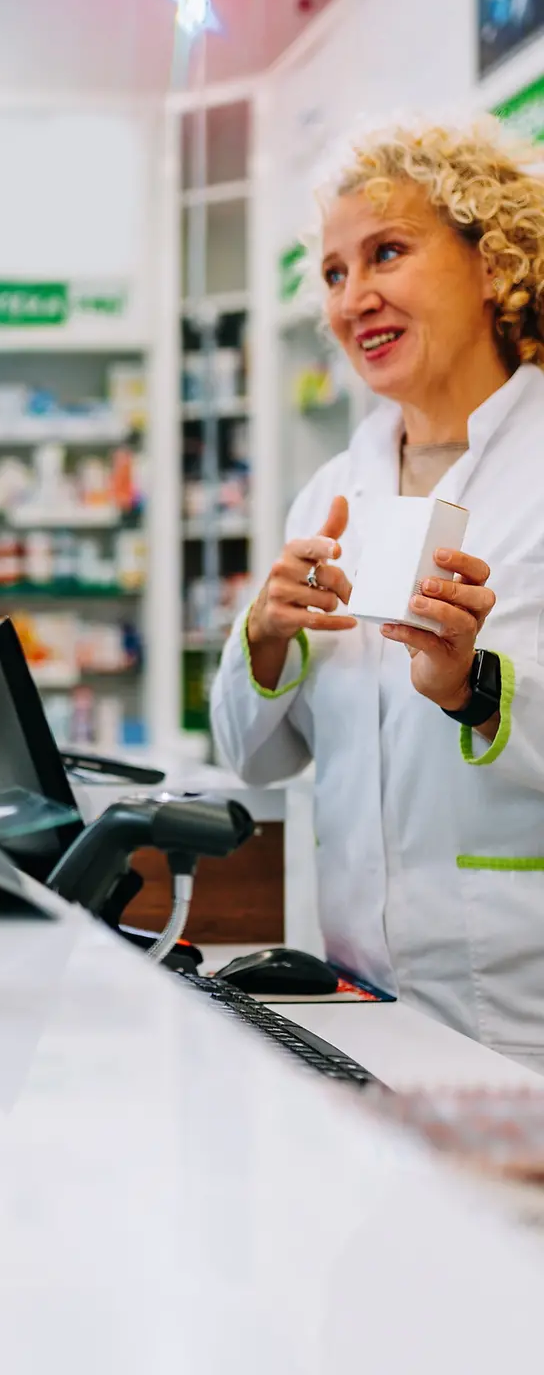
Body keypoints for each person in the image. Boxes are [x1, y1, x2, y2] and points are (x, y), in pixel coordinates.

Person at [212, 118, 544, 1069]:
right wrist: (266, 641)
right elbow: (252, 756)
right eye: (332, 273)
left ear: (493, 265)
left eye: (386, 254)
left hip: (513, 1008)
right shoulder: (331, 492)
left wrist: (473, 687)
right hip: (349, 993)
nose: (354, 297)